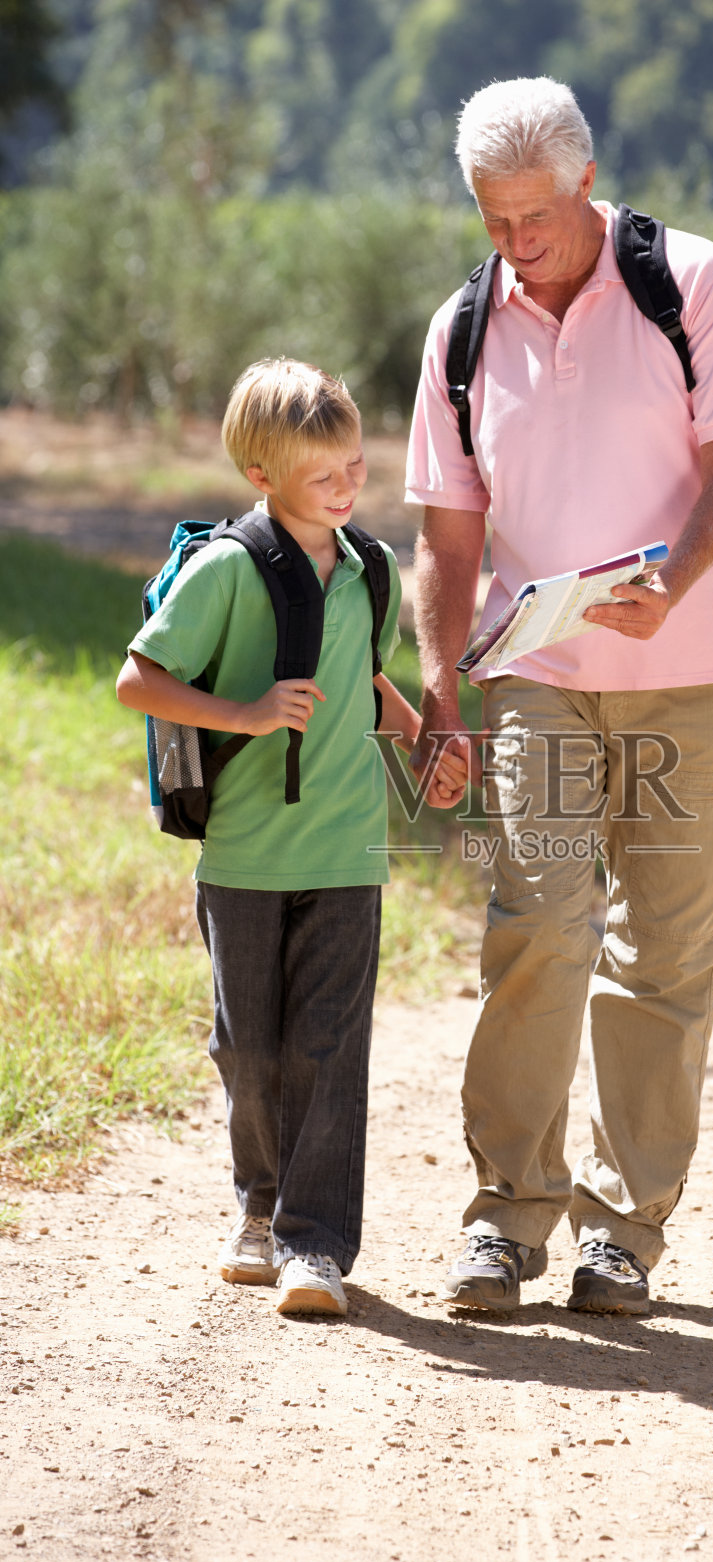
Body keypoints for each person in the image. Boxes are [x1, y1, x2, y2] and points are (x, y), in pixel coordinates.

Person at [406, 78, 713, 1315]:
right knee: (541, 920)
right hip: (538, 676)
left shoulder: (692, 282)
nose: (514, 246)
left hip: (693, 667)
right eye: (491, 219)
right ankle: (506, 1218)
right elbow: (447, 541)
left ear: (583, 183)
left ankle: (623, 1231)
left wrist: (668, 581)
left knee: (662, 953)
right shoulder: (460, 331)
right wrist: (440, 691)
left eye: (535, 219)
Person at [117, 358, 465, 1316]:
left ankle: (316, 1248)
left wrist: (428, 738)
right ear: (262, 474)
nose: (348, 486)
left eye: (355, 464)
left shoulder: (373, 570)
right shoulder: (226, 569)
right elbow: (137, 681)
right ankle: (257, 1215)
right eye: (325, 475)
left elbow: (362, 678)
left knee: (329, 1044)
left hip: (350, 850)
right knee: (249, 1048)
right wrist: (251, 711)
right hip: (244, 854)